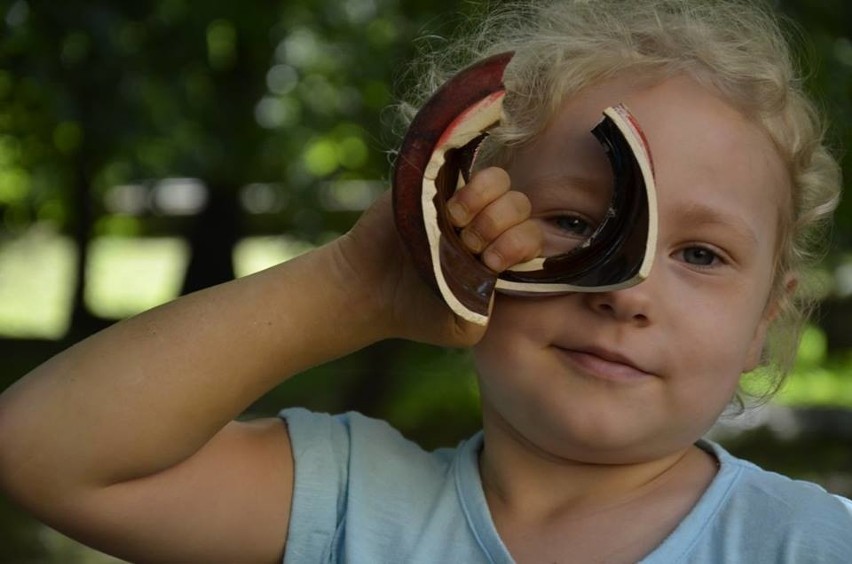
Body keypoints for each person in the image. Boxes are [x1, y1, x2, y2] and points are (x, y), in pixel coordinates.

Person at [1, 0, 851, 561]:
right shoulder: (348, 506)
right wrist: (352, 284)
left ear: (762, 327)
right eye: (573, 224)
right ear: (465, 228)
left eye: (701, 255)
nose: (625, 292)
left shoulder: (806, 544)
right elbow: (41, 454)